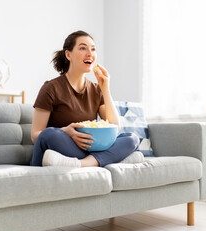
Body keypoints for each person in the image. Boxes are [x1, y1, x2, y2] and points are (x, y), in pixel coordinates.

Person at [30, 30, 143, 167]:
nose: (90, 53)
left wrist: (105, 89)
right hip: (64, 148)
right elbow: (36, 135)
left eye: (93, 49)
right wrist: (65, 131)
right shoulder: (51, 88)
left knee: (131, 138)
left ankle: (83, 164)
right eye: (83, 48)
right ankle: (107, 159)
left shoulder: (96, 89)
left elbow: (115, 127)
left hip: (88, 150)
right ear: (68, 54)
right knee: (49, 134)